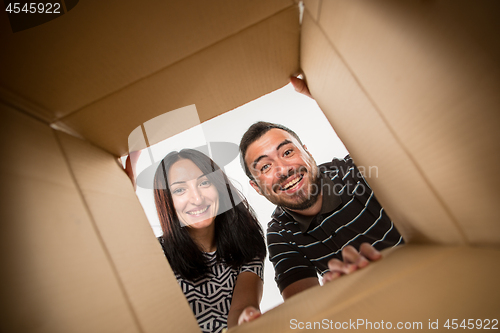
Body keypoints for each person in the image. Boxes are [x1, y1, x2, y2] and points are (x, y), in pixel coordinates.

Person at [239, 110, 404, 301]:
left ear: (307, 152)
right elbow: (306, 310)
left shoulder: (359, 171)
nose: (283, 170)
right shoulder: (280, 234)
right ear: (256, 187)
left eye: (287, 152)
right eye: (265, 167)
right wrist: (339, 296)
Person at [152, 149, 266, 333]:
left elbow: (241, 309)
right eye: (180, 190)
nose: (197, 198)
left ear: (219, 186)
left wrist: (247, 323)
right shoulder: (155, 254)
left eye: (204, 182)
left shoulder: (246, 242)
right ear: (167, 201)